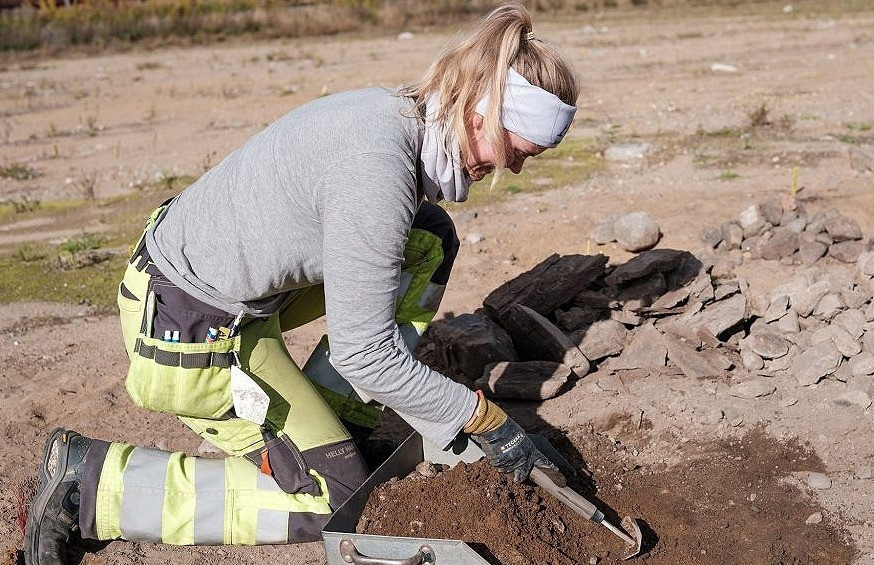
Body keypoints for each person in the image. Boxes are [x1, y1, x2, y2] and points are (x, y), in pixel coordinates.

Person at [25, 3, 579, 562]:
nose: (514, 169)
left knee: (427, 238)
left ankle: (335, 426)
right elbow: (366, 353)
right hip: (187, 328)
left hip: (234, 300)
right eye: (518, 152)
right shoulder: (376, 169)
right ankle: (90, 486)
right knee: (330, 499)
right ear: (482, 112)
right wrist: (480, 417)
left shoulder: (400, 121)